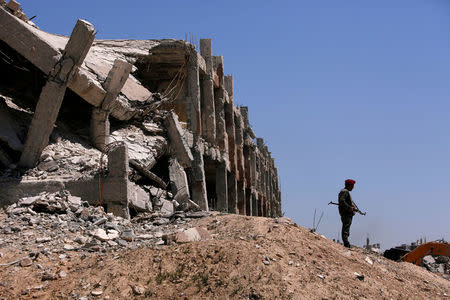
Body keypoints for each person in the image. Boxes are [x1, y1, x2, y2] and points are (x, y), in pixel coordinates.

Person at [338, 179, 357, 248]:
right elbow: (342, 201)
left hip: (346, 213)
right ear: (350, 185)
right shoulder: (345, 192)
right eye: (352, 186)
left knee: (346, 227)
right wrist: (349, 208)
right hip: (346, 213)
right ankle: (346, 243)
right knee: (346, 228)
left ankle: (346, 242)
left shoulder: (344, 192)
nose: (353, 187)